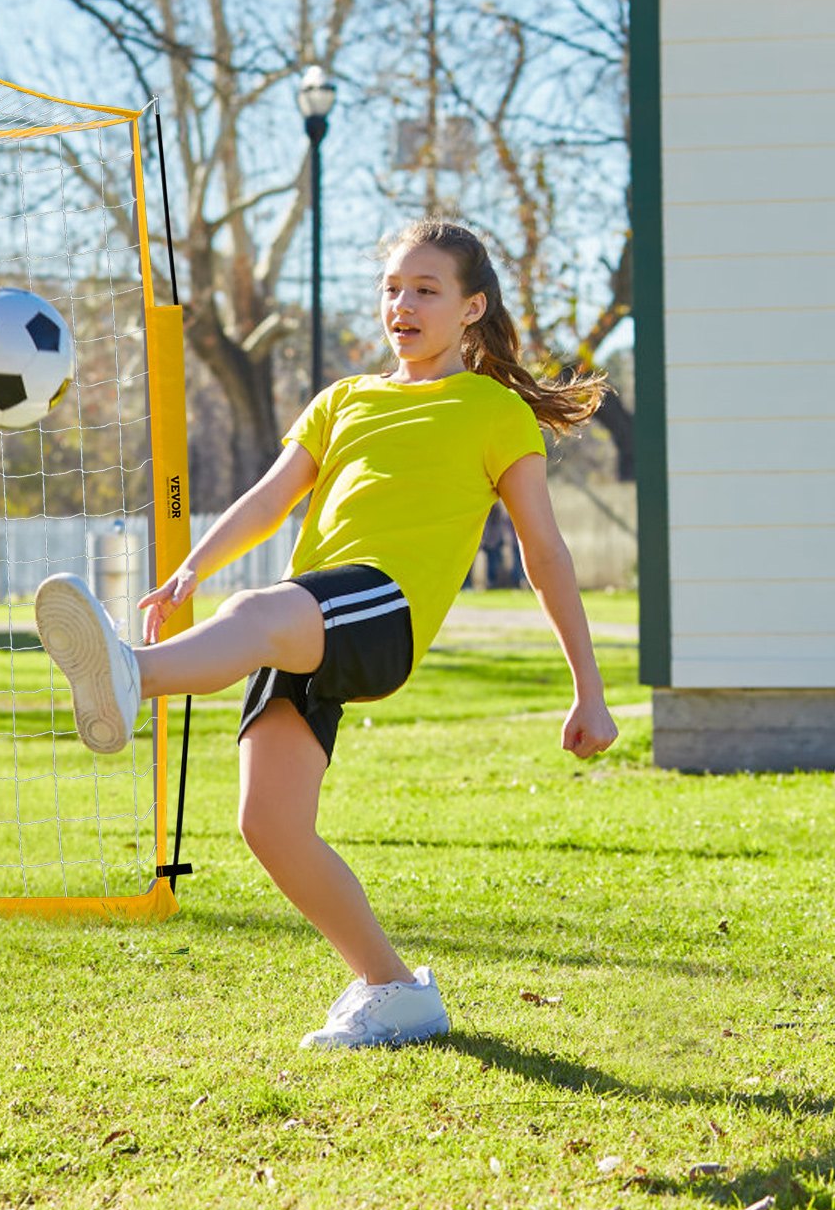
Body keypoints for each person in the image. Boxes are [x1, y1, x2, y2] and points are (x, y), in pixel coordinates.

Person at [33, 218, 619, 1050]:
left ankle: (128, 673)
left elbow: (547, 553)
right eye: (391, 289)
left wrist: (588, 692)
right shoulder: (343, 400)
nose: (403, 305)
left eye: (426, 290)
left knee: (257, 614)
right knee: (269, 823)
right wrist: (192, 566)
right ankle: (395, 989)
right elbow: (271, 498)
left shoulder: (494, 411)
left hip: (382, 611)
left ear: (470, 308)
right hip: (313, 610)